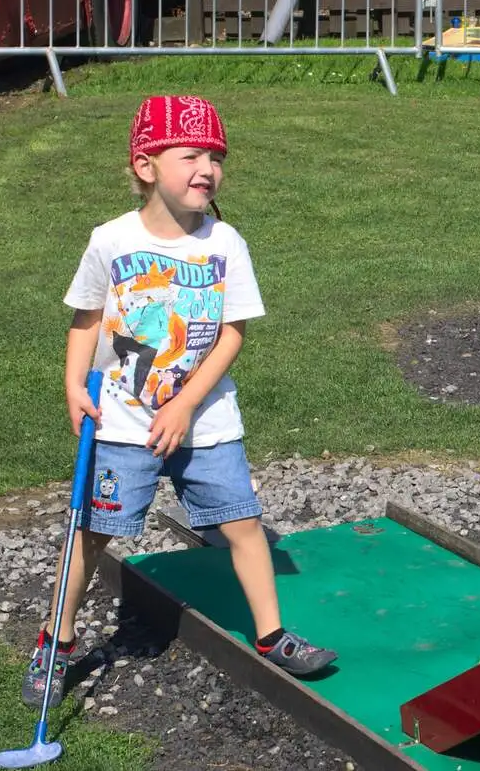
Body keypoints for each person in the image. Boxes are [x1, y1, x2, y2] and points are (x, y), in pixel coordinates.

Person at [22, 95, 336, 708]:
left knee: (244, 526)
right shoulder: (110, 240)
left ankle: (271, 636)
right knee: (91, 532)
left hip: (206, 422)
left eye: (215, 157)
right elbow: (87, 320)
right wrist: (71, 385)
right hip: (122, 422)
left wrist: (186, 404)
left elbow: (232, 332)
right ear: (146, 165)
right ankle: (55, 643)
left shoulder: (225, 243)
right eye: (190, 154)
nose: (207, 168)